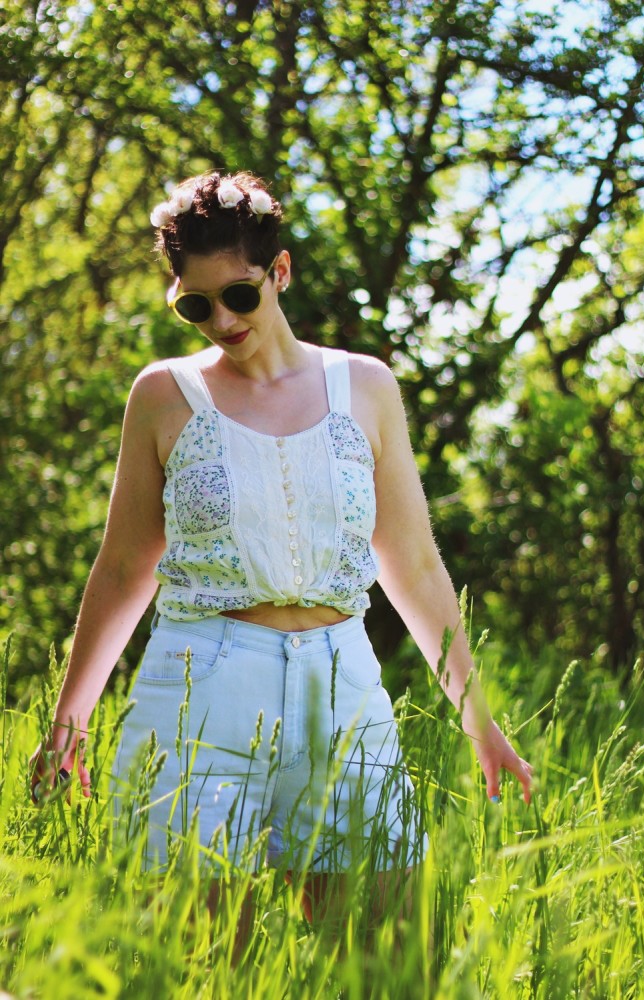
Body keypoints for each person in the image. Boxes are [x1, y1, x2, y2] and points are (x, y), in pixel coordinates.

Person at [30, 169, 532, 930]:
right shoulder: (162, 396)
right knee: (201, 960)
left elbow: (412, 561)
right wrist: (70, 719)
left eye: (239, 294)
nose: (222, 321)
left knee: (385, 953)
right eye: (195, 305)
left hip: (345, 683)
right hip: (199, 685)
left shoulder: (364, 387)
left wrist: (478, 720)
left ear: (281, 272)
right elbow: (126, 565)